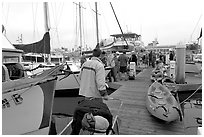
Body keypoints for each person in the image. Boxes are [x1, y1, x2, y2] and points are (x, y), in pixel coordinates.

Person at [71, 48, 110, 135]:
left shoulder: (85, 63)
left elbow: (80, 77)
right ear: (100, 55)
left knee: (86, 112)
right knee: (96, 114)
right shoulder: (99, 65)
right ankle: (94, 131)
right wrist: (104, 94)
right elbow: (100, 82)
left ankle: (85, 129)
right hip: (95, 95)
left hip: (86, 93)